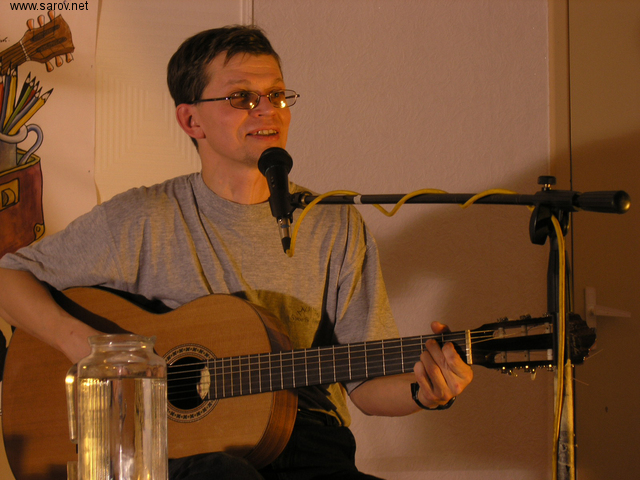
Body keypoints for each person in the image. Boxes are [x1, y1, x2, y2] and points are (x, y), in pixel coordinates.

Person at [0, 25, 473, 479]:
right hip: (184, 457)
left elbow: (366, 385)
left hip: (309, 449)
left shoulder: (334, 223)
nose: (268, 110)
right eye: (242, 98)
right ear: (191, 120)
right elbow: (7, 277)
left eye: (277, 95)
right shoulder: (142, 218)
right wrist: (82, 344)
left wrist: (426, 389)